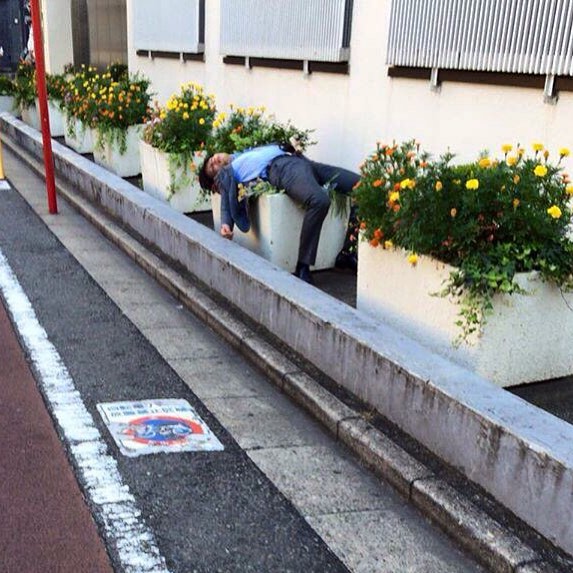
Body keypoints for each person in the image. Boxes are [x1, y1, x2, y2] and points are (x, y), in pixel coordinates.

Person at [198, 143, 359, 284]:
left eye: (211, 159)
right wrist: (226, 224)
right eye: (212, 168)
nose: (214, 161)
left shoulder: (244, 153)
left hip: (302, 161)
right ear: (216, 182)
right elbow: (226, 200)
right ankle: (303, 266)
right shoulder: (227, 173)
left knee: (361, 186)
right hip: (282, 169)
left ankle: (348, 253)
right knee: (319, 200)